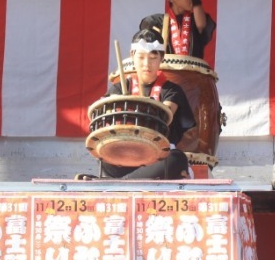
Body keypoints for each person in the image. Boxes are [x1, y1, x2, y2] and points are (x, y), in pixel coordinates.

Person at [78, 29, 194, 180]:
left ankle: (115, 184)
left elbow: (164, 113)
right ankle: (124, 181)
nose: (147, 64)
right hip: (124, 158)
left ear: (161, 58)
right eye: (141, 57)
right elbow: (103, 115)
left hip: (157, 158)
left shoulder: (171, 90)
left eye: (153, 58)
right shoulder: (119, 88)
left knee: (176, 159)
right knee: (105, 154)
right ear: (132, 56)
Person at [139, 0, 216, 60]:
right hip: (167, 72)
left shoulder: (195, 20)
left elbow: (201, 25)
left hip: (193, 72)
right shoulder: (157, 22)